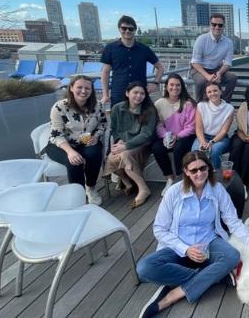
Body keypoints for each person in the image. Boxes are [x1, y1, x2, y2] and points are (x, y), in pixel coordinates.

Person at [136, 151, 249, 318]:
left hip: (207, 244)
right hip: (177, 246)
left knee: (232, 256)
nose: (199, 173)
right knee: (144, 268)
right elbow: (159, 229)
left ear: (208, 168)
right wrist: (186, 249)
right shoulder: (174, 192)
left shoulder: (217, 190)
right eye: (193, 170)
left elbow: (233, 222)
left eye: (203, 168)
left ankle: (173, 295)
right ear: (186, 172)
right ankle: (215, 276)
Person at [46, 75, 107, 206]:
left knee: (94, 154)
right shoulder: (60, 107)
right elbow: (56, 134)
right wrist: (70, 151)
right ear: (71, 88)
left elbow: (103, 124)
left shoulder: (98, 106)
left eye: (87, 88)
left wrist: (96, 137)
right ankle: (78, 194)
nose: (83, 91)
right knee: (74, 161)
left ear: (91, 90)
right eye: (79, 87)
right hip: (61, 144)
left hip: (86, 142)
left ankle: (90, 188)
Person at [103, 81, 157, 208]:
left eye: (142, 93)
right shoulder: (117, 108)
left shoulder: (149, 110)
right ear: (127, 93)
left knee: (125, 155)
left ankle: (143, 189)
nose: (138, 96)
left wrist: (126, 146)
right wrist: (119, 141)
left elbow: (146, 134)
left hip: (142, 143)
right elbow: (114, 129)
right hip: (123, 142)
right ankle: (128, 183)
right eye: (135, 92)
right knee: (112, 157)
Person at [101, 15, 164, 107]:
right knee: (119, 120)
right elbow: (105, 72)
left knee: (141, 120)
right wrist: (105, 95)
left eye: (131, 29)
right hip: (119, 94)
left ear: (134, 30)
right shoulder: (110, 48)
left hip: (139, 95)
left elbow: (160, 67)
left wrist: (155, 83)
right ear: (119, 29)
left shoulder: (144, 49)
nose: (127, 31)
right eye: (124, 28)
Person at [152, 74, 196, 197]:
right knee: (157, 147)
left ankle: (180, 179)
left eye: (178, 85)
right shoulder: (159, 103)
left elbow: (191, 127)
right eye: (171, 85)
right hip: (166, 136)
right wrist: (166, 136)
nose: (174, 87)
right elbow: (158, 125)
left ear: (182, 87)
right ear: (166, 86)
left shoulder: (188, 104)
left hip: (185, 136)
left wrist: (177, 137)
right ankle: (169, 178)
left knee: (179, 148)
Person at [190, 13, 237, 102]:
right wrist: (207, 76)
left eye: (220, 25)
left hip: (216, 69)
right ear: (210, 25)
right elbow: (195, 62)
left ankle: (224, 104)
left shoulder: (228, 42)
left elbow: (227, 63)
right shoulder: (201, 39)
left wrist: (219, 73)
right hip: (199, 69)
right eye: (214, 24)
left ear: (223, 27)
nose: (217, 27)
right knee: (202, 82)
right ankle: (199, 106)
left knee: (232, 78)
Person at [192, 82, 235, 169]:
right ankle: (197, 176)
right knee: (195, 152)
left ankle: (215, 176)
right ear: (206, 94)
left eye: (215, 90)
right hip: (203, 136)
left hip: (221, 139)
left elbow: (224, 131)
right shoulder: (201, 106)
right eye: (209, 92)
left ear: (220, 91)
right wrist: (203, 141)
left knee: (215, 150)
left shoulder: (229, 108)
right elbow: (199, 128)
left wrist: (212, 142)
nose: (213, 94)